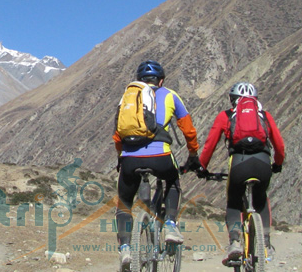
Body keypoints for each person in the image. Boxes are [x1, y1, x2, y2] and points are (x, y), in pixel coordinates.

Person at [113, 60, 201, 269]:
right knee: (172, 181)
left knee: (124, 202)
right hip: (160, 156)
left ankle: (125, 248)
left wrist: (121, 157)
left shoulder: (127, 98)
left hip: (129, 158)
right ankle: (170, 225)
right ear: (161, 81)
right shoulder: (169, 95)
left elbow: (117, 135)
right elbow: (188, 130)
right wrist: (193, 154)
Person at [198, 82, 285, 265]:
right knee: (261, 198)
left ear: (233, 100)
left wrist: (202, 167)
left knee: (234, 201)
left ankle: (235, 241)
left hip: (239, 163)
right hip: (263, 163)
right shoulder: (264, 116)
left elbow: (210, 145)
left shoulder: (226, 116)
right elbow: (279, 145)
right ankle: (266, 243)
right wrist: (277, 163)